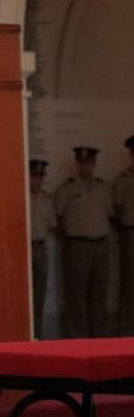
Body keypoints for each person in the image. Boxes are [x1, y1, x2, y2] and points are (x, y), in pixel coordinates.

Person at [55, 146, 115, 338]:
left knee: (100, 295)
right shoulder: (67, 188)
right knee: (76, 296)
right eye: (82, 163)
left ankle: (100, 338)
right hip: (78, 246)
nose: (86, 167)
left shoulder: (104, 188)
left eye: (89, 163)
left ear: (94, 164)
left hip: (101, 246)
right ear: (77, 164)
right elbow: (59, 217)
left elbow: (111, 214)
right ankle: (77, 339)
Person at [28, 159, 57, 338]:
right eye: (34, 176)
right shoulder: (20, 196)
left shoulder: (47, 199)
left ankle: (38, 334)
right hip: (24, 248)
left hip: (40, 247)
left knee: (40, 294)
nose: (36, 181)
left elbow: (51, 225)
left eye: (40, 177)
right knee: (25, 296)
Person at [113, 135, 134, 335]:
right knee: (129, 284)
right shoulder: (123, 180)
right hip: (130, 234)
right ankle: (127, 331)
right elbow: (116, 210)